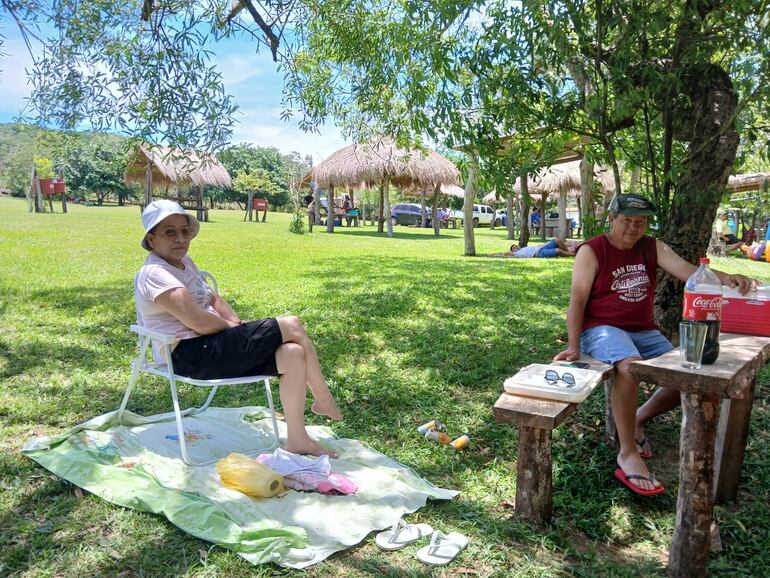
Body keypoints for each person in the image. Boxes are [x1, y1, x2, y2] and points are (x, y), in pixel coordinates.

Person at [554, 194, 757, 496]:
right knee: (629, 366)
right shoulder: (592, 250)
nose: (634, 228)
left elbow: (690, 272)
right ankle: (627, 452)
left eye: (641, 222)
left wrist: (728, 278)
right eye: (626, 221)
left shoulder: (652, 246)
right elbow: (577, 301)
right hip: (602, 329)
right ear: (611, 219)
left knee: (691, 369)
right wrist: (573, 345)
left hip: (643, 329)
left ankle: (638, 418)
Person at [135, 200, 342, 457]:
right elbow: (198, 322)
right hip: (188, 355)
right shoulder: (155, 273)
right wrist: (230, 327)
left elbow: (213, 299)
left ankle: (298, 439)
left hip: (213, 344)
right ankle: (323, 399)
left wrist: (236, 323)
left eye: (185, 231)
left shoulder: (184, 263)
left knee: (292, 353)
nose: (180, 238)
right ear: (151, 239)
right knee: (292, 324)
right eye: (170, 232)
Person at [492, 237, 580, 258]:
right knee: (557, 251)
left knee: (557, 240)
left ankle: (569, 251)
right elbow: (503, 253)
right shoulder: (516, 254)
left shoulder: (524, 248)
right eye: (513, 248)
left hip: (542, 248)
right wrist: (493, 254)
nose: (515, 247)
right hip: (538, 254)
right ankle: (572, 254)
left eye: (515, 246)